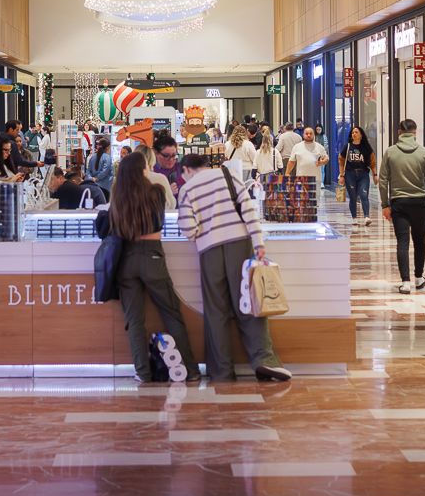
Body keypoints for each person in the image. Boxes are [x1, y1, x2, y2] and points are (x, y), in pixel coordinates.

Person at [178, 153, 291, 381]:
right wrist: (258, 243)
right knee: (249, 303)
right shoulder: (228, 176)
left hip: (209, 250)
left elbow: (189, 229)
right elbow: (249, 210)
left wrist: (204, 230)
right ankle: (263, 360)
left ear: (186, 170)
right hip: (239, 244)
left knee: (216, 311)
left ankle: (221, 371)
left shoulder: (187, 190)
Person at [104, 155, 201, 383]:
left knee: (134, 320)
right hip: (152, 255)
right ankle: (192, 370)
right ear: (143, 170)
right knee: (171, 314)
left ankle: (143, 372)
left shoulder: (118, 196)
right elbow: (164, 216)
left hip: (126, 260)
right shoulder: (156, 191)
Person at [380, 119, 425, 290]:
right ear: (415, 132)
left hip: (398, 202)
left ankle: (405, 282)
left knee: (402, 241)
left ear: (399, 132)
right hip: (419, 203)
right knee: (419, 241)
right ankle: (418, 277)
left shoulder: (390, 152)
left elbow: (383, 181)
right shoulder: (423, 152)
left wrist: (385, 205)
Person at [337, 124, 377, 224]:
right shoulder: (348, 146)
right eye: (353, 132)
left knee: (364, 195)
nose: (354, 134)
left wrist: (375, 174)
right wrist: (341, 175)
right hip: (350, 174)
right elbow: (341, 161)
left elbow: (372, 162)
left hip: (363, 174)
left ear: (361, 135)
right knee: (353, 197)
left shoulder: (367, 148)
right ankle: (354, 218)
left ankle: (367, 217)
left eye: (356, 132)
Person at [286, 126, 330, 194]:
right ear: (303, 135)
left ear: (313, 135)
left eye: (310, 133)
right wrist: (287, 173)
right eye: (306, 133)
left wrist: (322, 162)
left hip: (316, 180)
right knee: (302, 202)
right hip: (301, 179)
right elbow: (291, 162)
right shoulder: (297, 147)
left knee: (314, 202)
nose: (308, 135)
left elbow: (326, 158)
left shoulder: (319, 147)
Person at [153, 132, 184, 197]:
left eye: (173, 155)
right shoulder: (150, 172)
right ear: (156, 152)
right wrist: (167, 194)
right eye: (166, 156)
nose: (171, 159)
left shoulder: (182, 169)